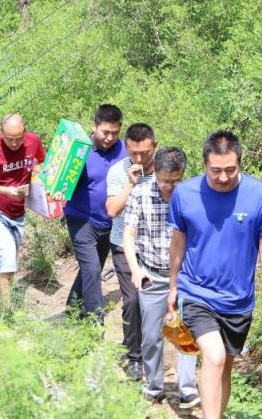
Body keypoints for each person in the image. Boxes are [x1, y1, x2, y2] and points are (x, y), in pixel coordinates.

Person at [167, 130, 262, 419]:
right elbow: (178, 241)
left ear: (240, 163)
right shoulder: (185, 194)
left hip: (238, 300)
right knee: (214, 356)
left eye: (230, 170)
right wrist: (173, 286)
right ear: (204, 164)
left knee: (224, 367)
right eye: (216, 170)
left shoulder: (260, 195)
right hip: (196, 292)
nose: (223, 177)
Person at [123, 147, 200, 409]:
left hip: (186, 277)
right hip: (152, 275)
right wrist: (136, 270)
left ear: (183, 175)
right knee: (151, 335)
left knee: (186, 333)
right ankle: (153, 386)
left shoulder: (192, 197)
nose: (169, 186)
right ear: (155, 172)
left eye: (174, 181)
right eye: (164, 180)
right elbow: (128, 235)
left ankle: (187, 388)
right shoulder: (140, 193)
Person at [64, 104, 126, 323]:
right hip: (81, 219)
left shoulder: (124, 150)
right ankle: (94, 323)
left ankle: (72, 307)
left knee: (92, 268)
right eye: (105, 132)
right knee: (91, 269)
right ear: (94, 126)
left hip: (109, 221)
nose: (110, 138)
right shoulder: (80, 150)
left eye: (115, 133)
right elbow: (59, 179)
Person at [105, 123, 157, 380]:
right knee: (133, 300)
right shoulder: (118, 171)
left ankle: (154, 352)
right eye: (133, 152)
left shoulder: (164, 170)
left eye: (144, 153)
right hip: (123, 245)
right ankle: (134, 357)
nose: (138, 158)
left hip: (157, 248)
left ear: (154, 147)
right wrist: (130, 185)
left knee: (153, 301)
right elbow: (112, 210)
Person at [0, 114, 45, 302]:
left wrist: (36, 175)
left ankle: (5, 297)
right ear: (1, 133)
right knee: (6, 252)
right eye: (9, 139)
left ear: (25, 132)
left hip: (18, 212)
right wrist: (7, 191)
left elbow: (40, 162)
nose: (14, 143)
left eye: (18, 138)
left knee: (10, 257)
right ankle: (5, 308)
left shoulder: (33, 141)